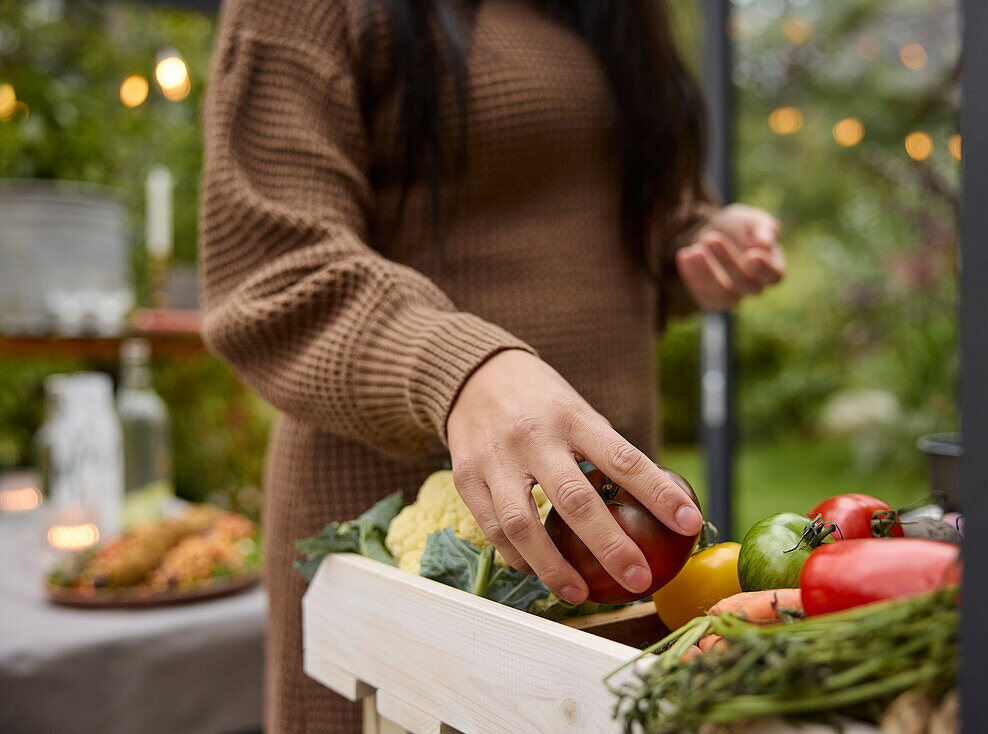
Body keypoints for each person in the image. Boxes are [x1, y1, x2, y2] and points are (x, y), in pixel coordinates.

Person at [199, 1, 785, 732]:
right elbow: (274, 267)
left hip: (611, 533)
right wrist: (462, 368)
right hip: (394, 527)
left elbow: (626, 210)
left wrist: (697, 242)